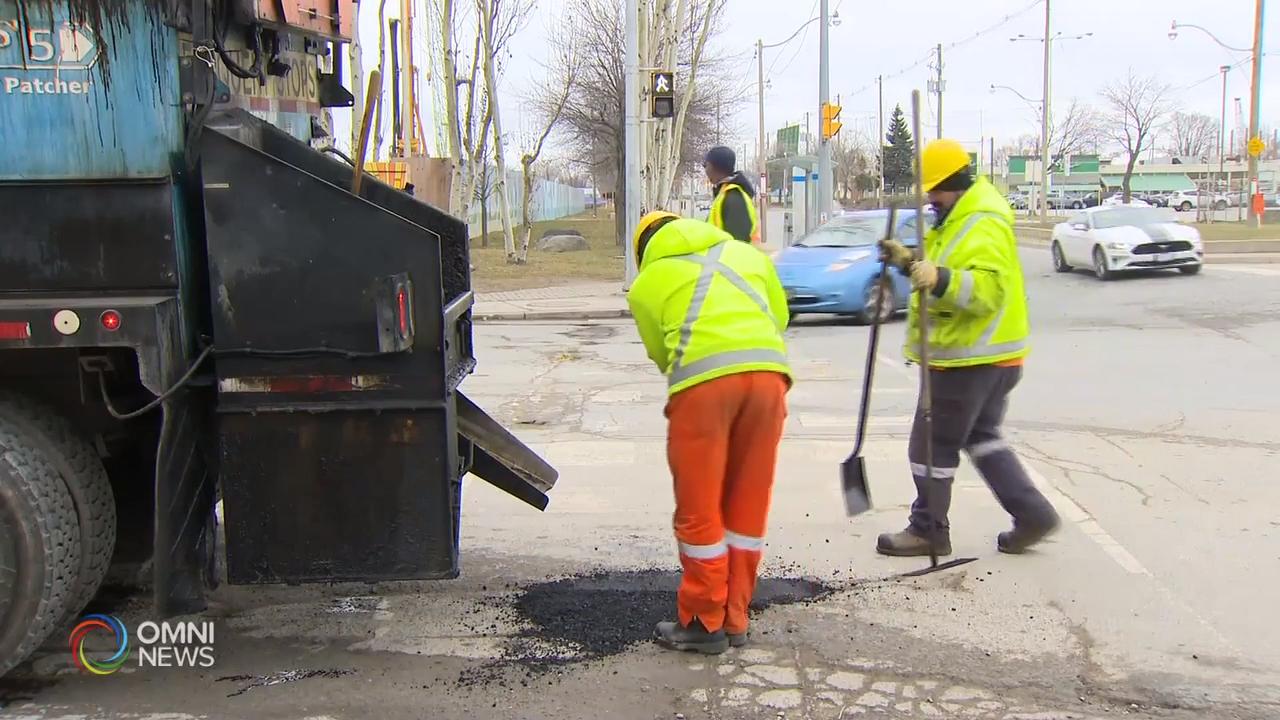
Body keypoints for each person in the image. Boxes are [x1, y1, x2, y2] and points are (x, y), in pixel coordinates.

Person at [875, 139, 1060, 557]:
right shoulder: (960, 217)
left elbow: (987, 290)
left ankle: (928, 530)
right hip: (992, 358)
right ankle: (1033, 514)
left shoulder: (981, 222)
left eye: (935, 190)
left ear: (954, 184)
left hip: (969, 359)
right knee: (982, 437)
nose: (930, 199)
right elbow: (946, 266)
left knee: (930, 445)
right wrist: (907, 261)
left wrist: (938, 278)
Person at [626, 211, 792, 654]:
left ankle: (703, 620)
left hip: (704, 388)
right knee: (747, 501)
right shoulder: (747, 255)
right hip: (769, 380)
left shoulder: (646, 284)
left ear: (644, 251)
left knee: (700, 508)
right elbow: (780, 316)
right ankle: (735, 617)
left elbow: (662, 354)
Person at [704, 146, 761, 245]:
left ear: (712, 166)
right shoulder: (725, 194)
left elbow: (737, 244)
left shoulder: (733, 197)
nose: (705, 170)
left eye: (705, 165)